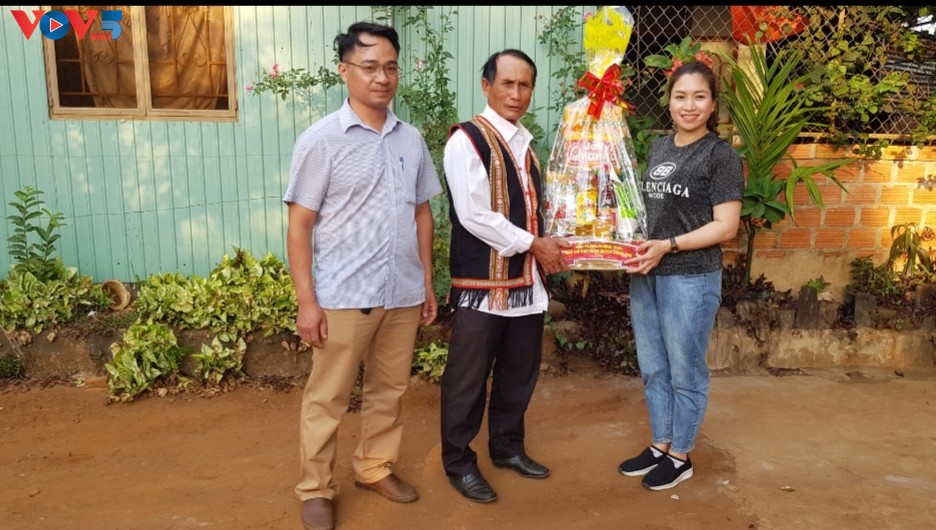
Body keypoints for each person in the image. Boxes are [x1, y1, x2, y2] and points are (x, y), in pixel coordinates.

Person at [283, 21, 442, 530]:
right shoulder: (321, 141)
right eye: (370, 67)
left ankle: (374, 467)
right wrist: (307, 302)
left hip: (401, 291)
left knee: (389, 390)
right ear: (344, 71)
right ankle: (315, 488)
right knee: (327, 397)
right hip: (344, 295)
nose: (382, 77)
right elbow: (299, 225)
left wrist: (426, 282)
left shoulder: (410, 139)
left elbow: (422, 212)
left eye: (390, 67)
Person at [440, 49, 570, 504]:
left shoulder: (526, 148)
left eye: (524, 85)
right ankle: (459, 463)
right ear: (486, 86)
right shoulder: (466, 140)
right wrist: (534, 244)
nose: (516, 93)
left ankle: (507, 447)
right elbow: (473, 214)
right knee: (467, 378)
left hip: (525, 285)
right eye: (507, 83)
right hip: (483, 287)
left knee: (519, 372)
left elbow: (533, 212)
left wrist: (557, 241)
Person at [618, 60, 744, 491]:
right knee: (654, 367)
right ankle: (660, 444)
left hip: (689, 277)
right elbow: (648, 213)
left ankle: (681, 455)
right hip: (648, 273)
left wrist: (667, 246)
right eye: (680, 96)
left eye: (699, 97)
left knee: (685, 370)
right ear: (669, 102)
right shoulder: (659, 148)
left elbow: (725, 227)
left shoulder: (720, 156)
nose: (689, 105)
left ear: (713, 105)